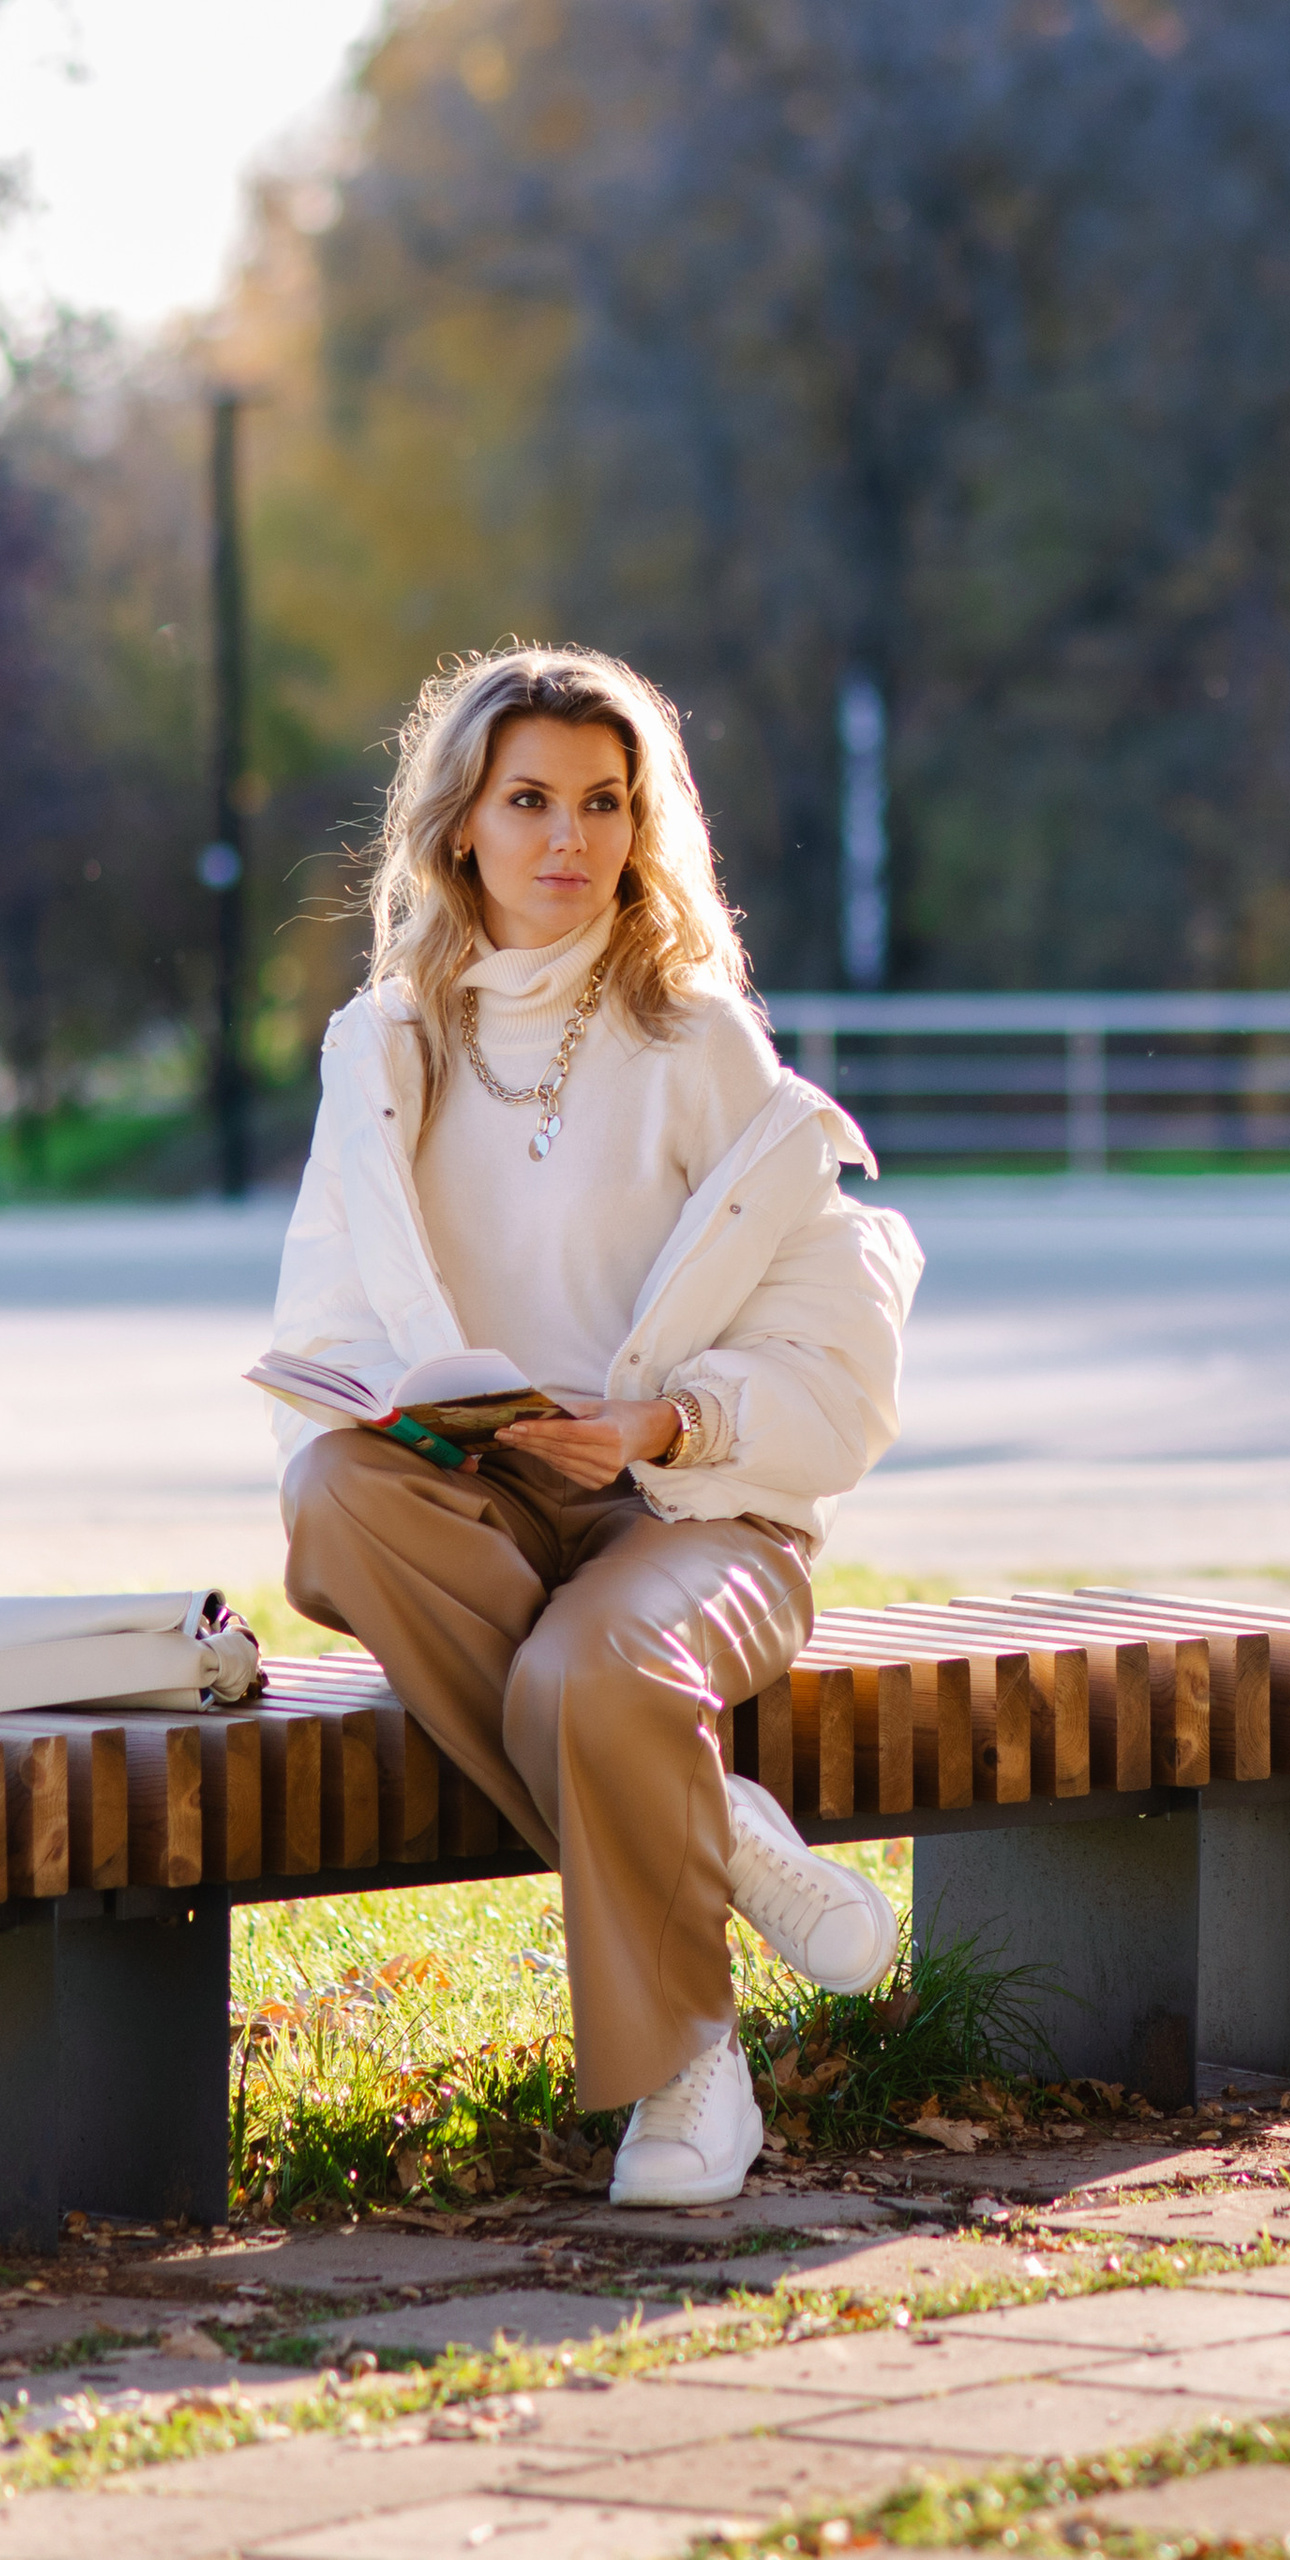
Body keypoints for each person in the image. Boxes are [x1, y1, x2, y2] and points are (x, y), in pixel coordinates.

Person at [267, 643, 923, 2208]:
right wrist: (422, 1415)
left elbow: (841, 1359)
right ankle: (722, 1829)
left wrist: (664, 1424)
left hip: (698, 1517)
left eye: (604, 803)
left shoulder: (699, 1043)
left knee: (598, 1672)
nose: (569, 837)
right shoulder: (383, 1050)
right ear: (461, 828)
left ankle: (688, 2069)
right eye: (532, 800)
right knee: (327, 1498)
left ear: (643, 828)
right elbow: (326, 1327)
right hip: (483, 1504)